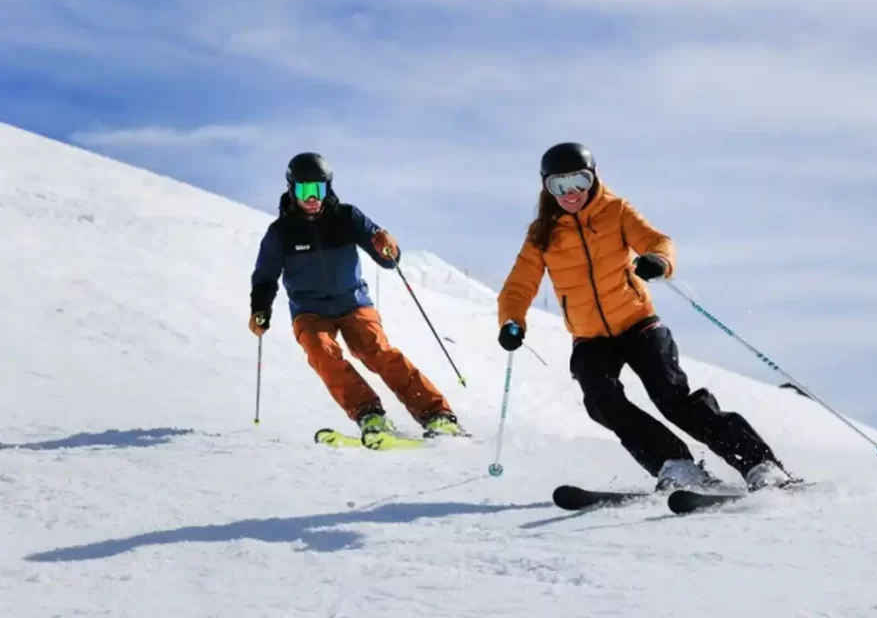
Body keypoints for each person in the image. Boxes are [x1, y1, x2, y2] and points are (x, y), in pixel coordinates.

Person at [496, 142, 794, 492]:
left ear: (593, 178)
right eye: (559, 185)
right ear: (546, 187)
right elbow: (518, 286)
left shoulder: (616, 211)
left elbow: (657, 241)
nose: (571, 193)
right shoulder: (541, 234)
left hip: (638, 322)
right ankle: (676, 465)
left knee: (673, 399)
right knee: (601, 402)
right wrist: (511, 322)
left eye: (578, 180)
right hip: (590, 338)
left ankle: (760, 464)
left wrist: (658, 261)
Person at [249, 152, 466, 447]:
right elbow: (264, 276)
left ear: (328, 188)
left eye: (319, 189)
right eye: (304, 190)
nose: (312, 198)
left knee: (376, 349)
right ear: (291, 189)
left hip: (352, 302)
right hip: (309, 310)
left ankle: (437, 414)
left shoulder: (347, 217)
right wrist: (260, 310)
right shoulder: (280, 233)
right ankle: (369, 414)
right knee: (320, 351)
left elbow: (386, 256)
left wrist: (387, 248)